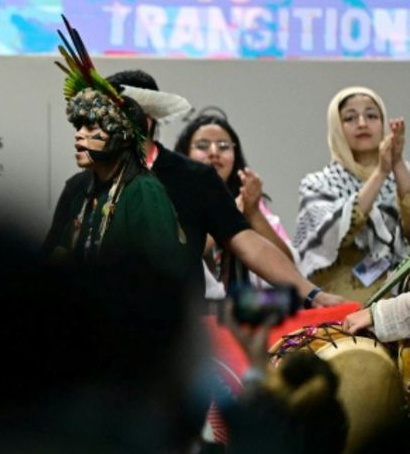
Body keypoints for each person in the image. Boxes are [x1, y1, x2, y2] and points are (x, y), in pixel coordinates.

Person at [100, 69, 345, 310]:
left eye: (110, 115)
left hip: (189, 322)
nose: (214, 153)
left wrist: (312, 293)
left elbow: (250, 245)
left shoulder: (194, 179)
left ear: (145, 119)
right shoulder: (84, 184)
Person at [44, 25, 188, 282]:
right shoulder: (83, 192)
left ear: (121, 135)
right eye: (78, 126)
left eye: (91, 126)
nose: (79, 134)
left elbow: (166, 275)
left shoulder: (143, 191)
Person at [295, 86, 410, 304]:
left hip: (402, 299)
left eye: (371, 115)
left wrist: (396, 163)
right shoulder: (317, 184)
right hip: (344, 302)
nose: (362, 123)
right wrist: (380, 173)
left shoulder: (404, 175)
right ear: (337, 128)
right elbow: (328, 239)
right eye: (350, 117)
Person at [172, 109, 297, 299]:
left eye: (223, 146)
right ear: (184, 154)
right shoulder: (170, 198)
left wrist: (254, 213)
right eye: (202, 145)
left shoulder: (249, 201)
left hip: (245, 311)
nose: (214, 153)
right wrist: (228, 217)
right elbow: (178, 257)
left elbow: (288, 270)